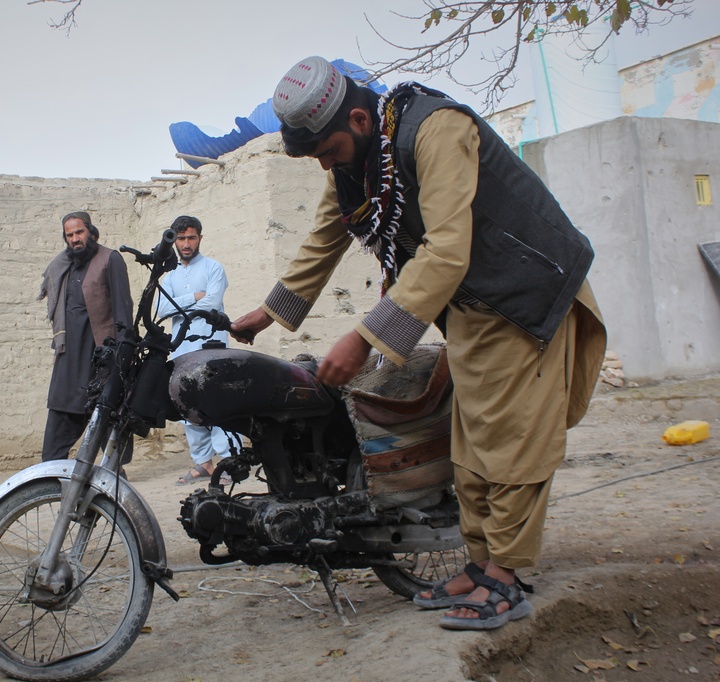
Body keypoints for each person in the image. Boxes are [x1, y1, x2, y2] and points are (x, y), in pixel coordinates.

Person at [232, 56, 607, 631]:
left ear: (358, 119)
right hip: (473, 311)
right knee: (471, 446)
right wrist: (269, 311)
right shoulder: (358, 163)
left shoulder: (437, 130)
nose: (327, 166)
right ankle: (482, 565)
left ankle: (506, 578)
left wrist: (365, 339)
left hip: (527, 296)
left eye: (329, 152)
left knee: (511, 442)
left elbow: (447, 250)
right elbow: (323, 239)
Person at [38, 211, 134, 465]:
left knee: (105, 423)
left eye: (79, 232)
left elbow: (124, 311)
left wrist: (122, 356)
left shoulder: (110, 259)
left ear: (91, 231)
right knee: (55, 435)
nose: (75, 239)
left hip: (100, 358)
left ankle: (113, 484)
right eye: (69, 235)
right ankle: (55, 485)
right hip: (69, 358)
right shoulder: (63, 266)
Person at [156, 215, 238, 486]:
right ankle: (203, 463)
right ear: (175, 241)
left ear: (200, 238)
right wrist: (194, 297)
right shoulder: (169, 277)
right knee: (188, 406)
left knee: (218, 404)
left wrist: (193, 301)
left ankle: (230, 463)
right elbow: (160, 309)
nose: (186, 243)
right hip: (183, 348)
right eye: (181, 239)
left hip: (212, 345)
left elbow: (212, 303)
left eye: (191, 237)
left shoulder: (214, 268)